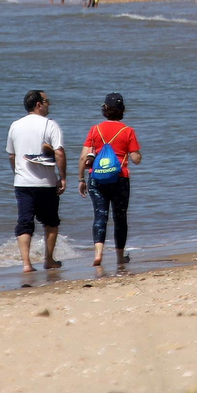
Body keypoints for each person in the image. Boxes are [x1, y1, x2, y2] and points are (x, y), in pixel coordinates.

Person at [77, 92, 141, 270]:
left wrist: (81, 179)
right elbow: (136, 159)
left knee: (100, 216)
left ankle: (98, 254)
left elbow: (83, 157)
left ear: (105, 109)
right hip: (120, 179)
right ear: (122, 110)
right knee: (120, 218)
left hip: (97, 178)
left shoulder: (95, 129)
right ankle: (120, 256)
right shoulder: (128, 131)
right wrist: (135, 153)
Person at [6, 89, 66, 273]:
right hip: (46, 183)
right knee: (51, 222)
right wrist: (63, 177)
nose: (49, 104)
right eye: (47, 101)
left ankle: (26, 264)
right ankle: (49, 260)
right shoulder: (50, 125)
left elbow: (12, 155)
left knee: (24, 222)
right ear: (38, 104)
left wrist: (17, 172)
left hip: (22, 183)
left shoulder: (15, 125)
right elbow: (59, 153)